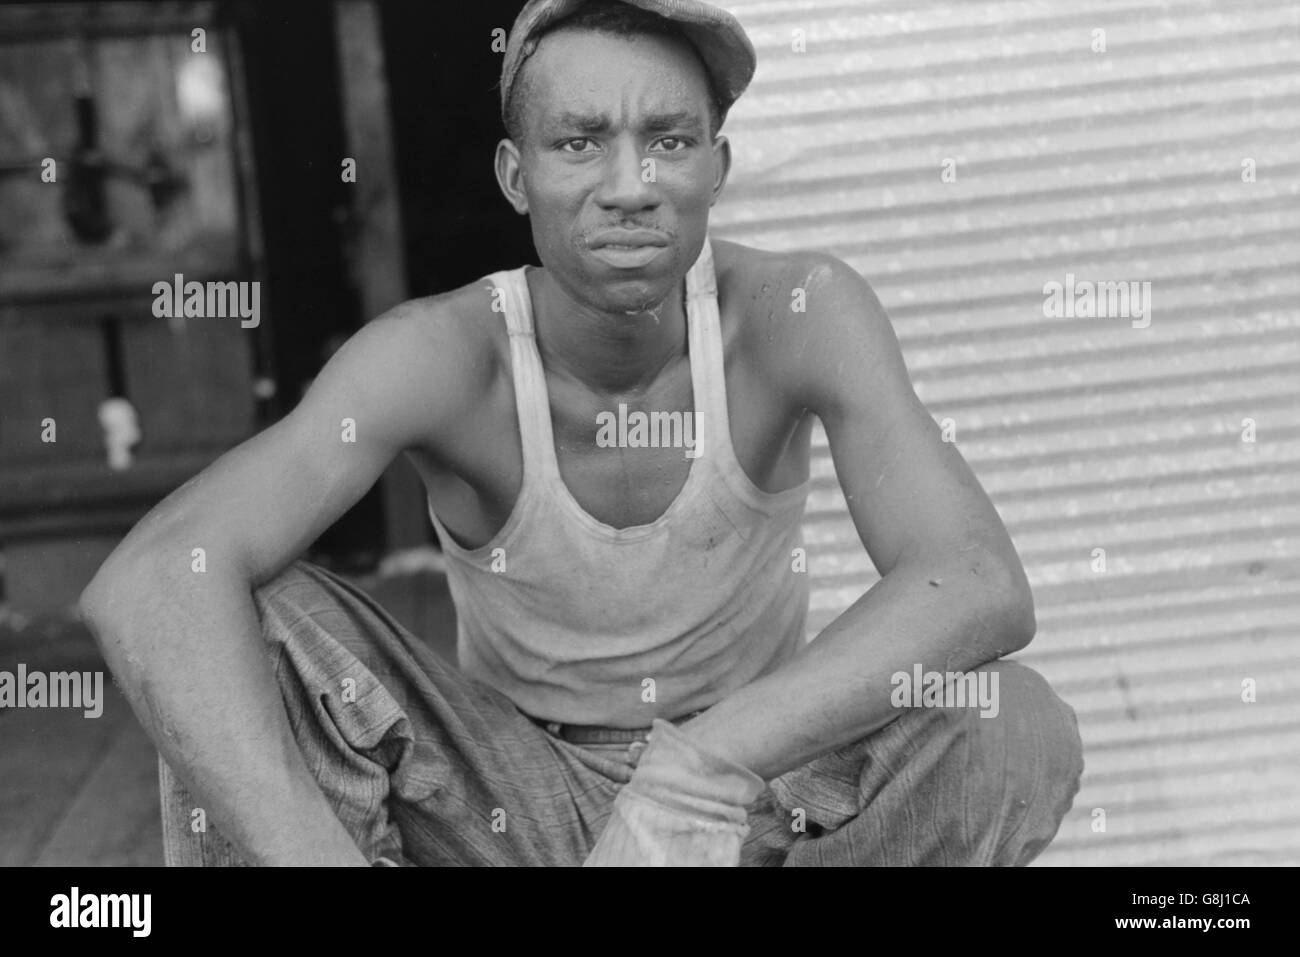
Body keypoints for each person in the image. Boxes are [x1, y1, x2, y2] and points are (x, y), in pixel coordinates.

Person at [81, 0, 1084, 866]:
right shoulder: (442, 354)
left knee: (1010, 727)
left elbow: (976, 580)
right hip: (510, 809)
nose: (629, 183)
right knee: (242, 622)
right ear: (516, 177)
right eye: (578, 142)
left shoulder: (796, 312)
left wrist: (696, 770)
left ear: (717, 166)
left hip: (754, 801)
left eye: (669, 140)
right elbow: (155, 579)